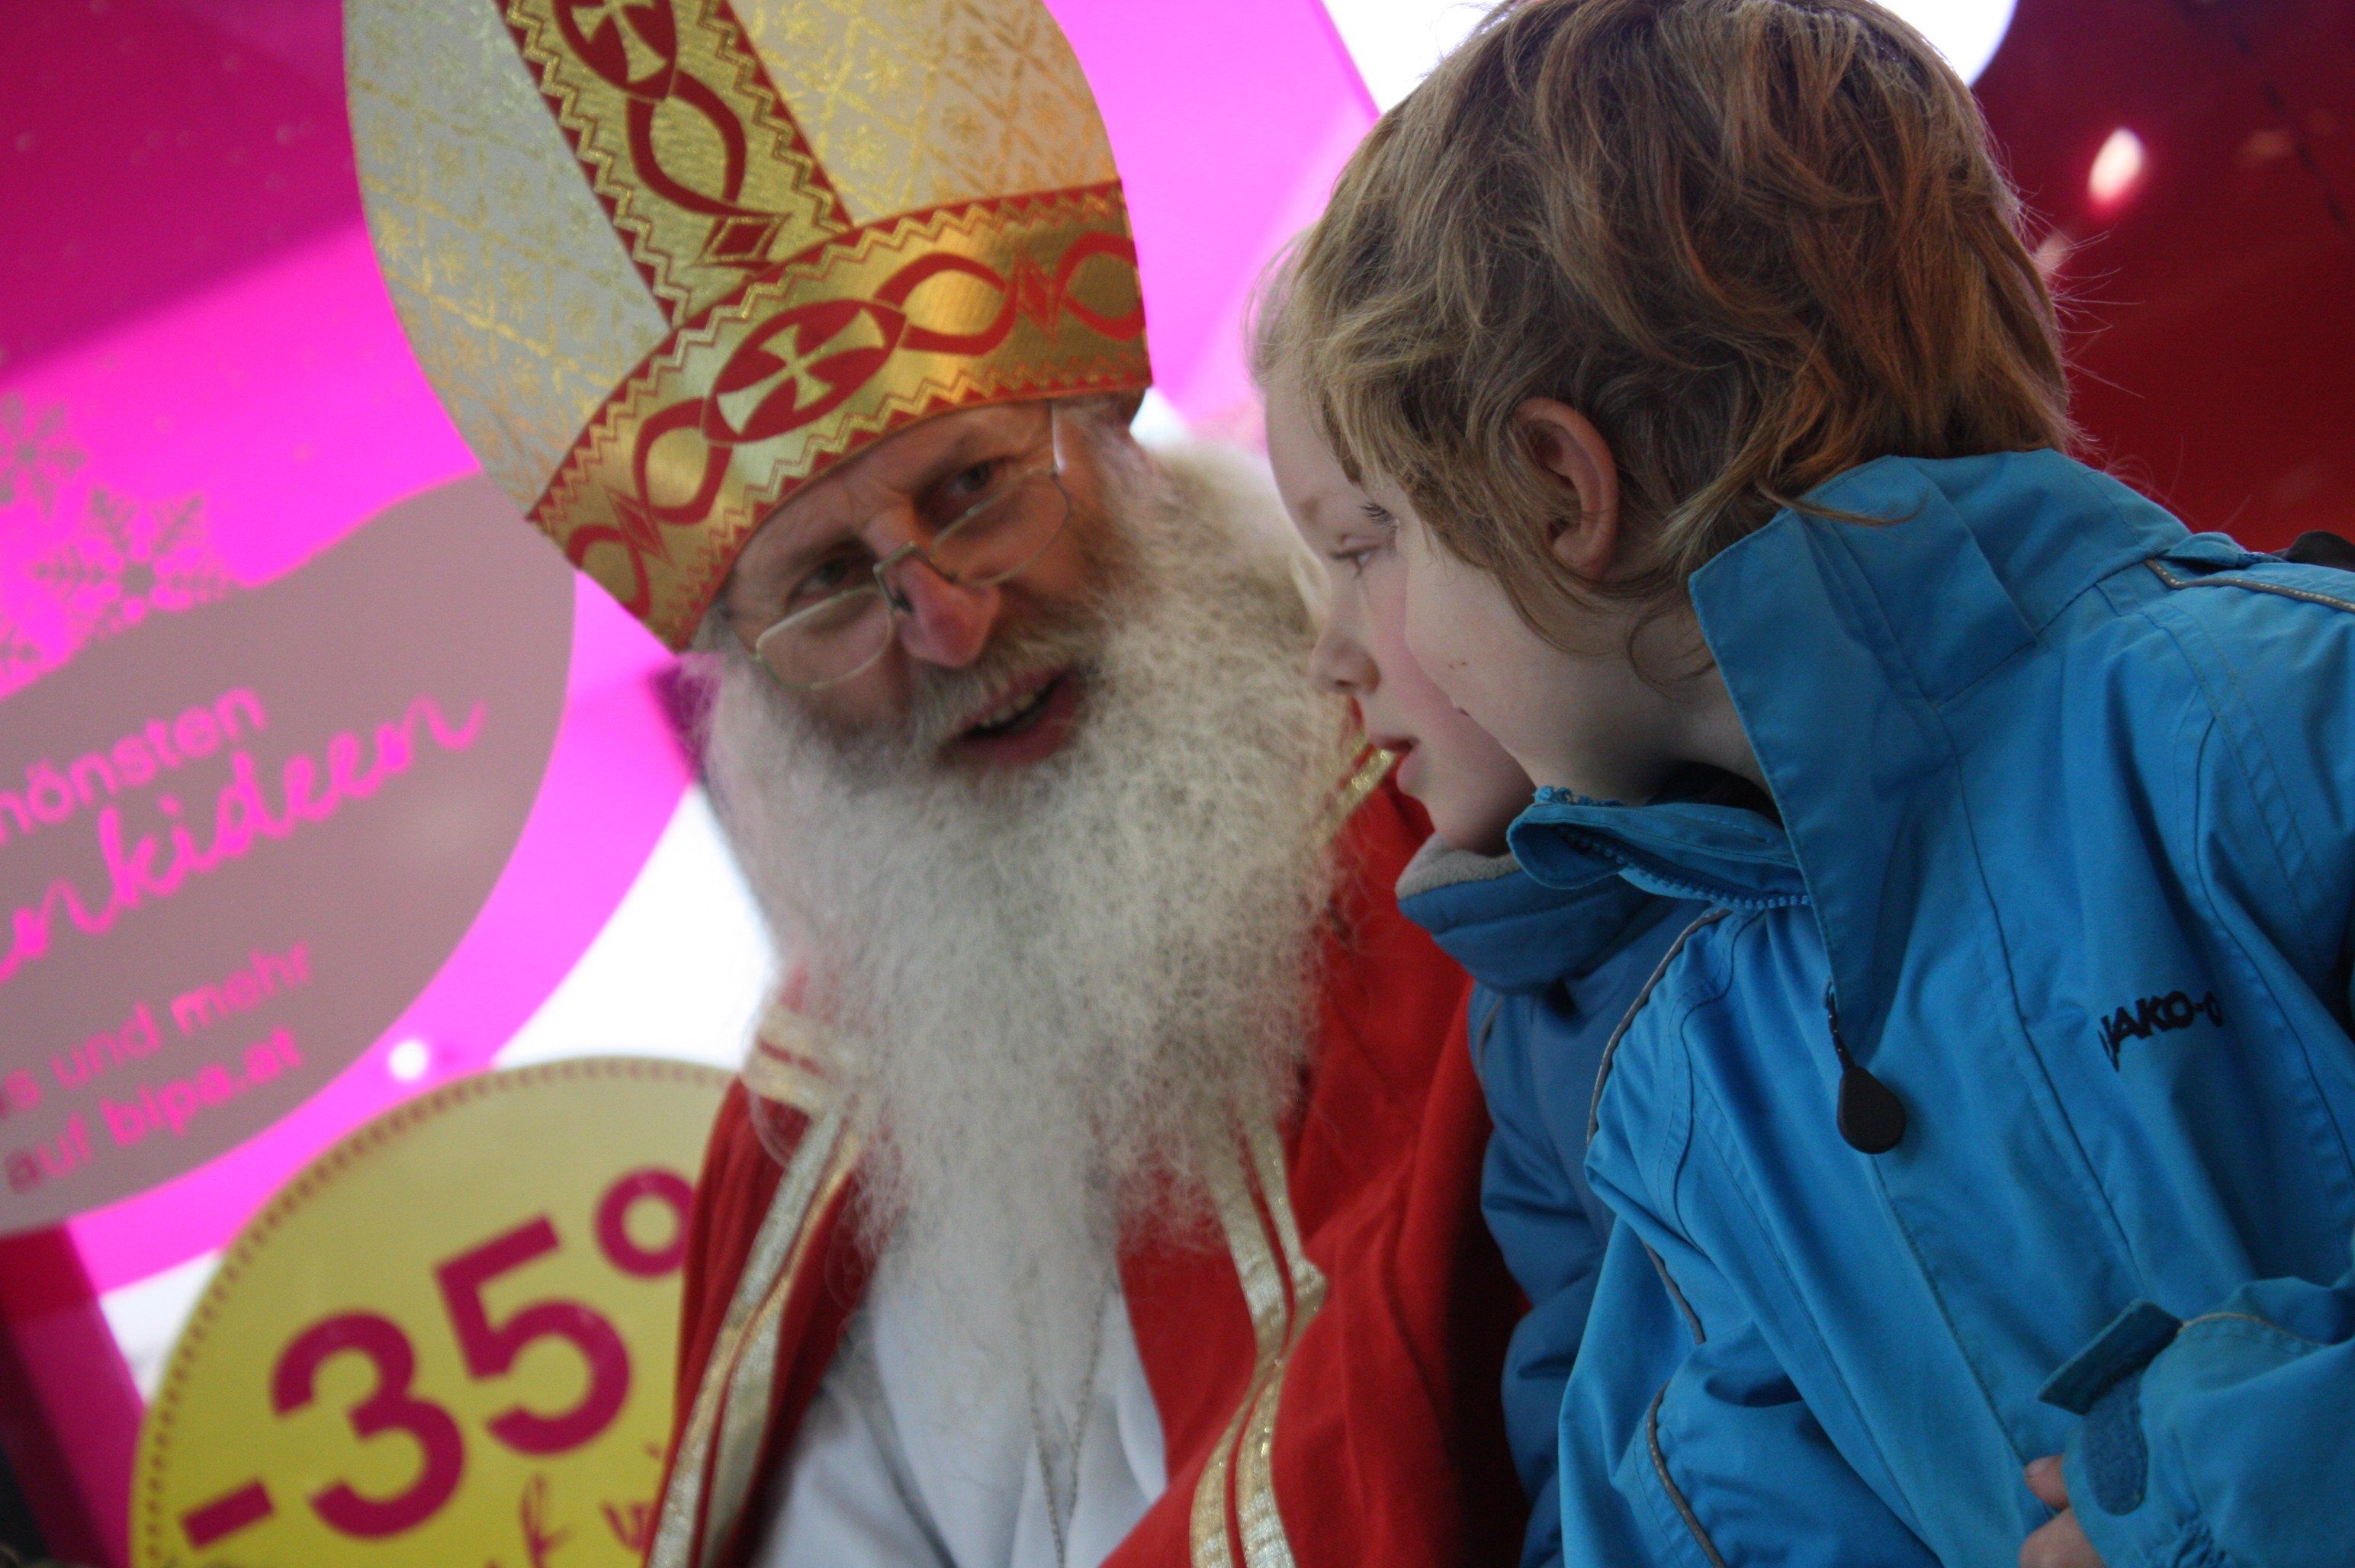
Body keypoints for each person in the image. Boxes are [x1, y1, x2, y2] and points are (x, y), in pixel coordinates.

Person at [344, 1, 1527, 1564]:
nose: (949, 622)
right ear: (749, 675)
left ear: (1108, 437)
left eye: (972, 488)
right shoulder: (823, 1131)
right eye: (829, 584)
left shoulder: (1474, 785)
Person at [1274, 2, 2355, 1566]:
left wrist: (2211, 1496)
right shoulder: (1679, 1072)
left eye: (1387, 540)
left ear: (1557, 487)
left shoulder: (2281, 718)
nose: (1357, 641)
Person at [1262, 342, 1700, 1568]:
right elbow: (1588, 1459)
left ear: (1561, 492)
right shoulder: (1530, 1011)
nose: (1330, 656)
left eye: (1363, 547)